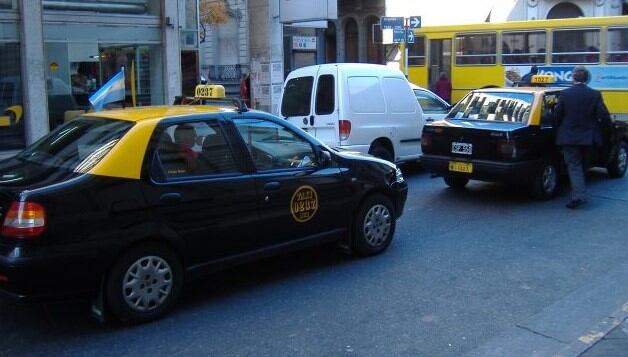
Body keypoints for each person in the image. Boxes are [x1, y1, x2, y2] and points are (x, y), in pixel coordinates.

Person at [554, 65, 611, 209]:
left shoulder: (565, 94)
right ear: (587, 78)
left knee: (574, 166)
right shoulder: (595, 94)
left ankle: (578, 196)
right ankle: (580, 192)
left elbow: (557, 115)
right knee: (583, 165)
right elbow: (604, 116)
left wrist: (561, 127)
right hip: (588, 137)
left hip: (569, 137)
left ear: (573, 77)